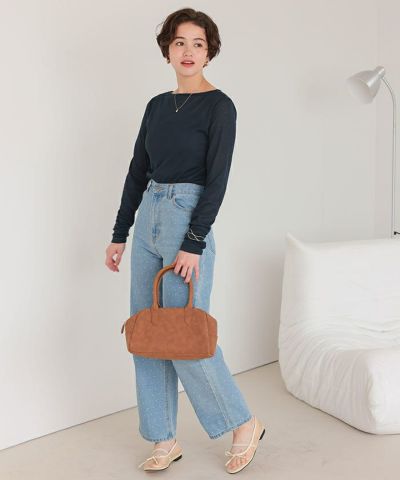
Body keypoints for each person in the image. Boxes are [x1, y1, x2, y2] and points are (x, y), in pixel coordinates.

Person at [105, 8, 266, 474]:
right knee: (147, 333)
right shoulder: (156, 106)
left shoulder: (220, 107)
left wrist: (194, 242)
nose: (188, 51)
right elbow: (137, 171)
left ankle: (243, 423)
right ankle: (163, 437)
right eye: (180, 42)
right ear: (167, 51)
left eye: (198, 43)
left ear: (209, 51)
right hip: (149, 217)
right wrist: (120, 233)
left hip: (186, 219)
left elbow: (217, 180)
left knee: (184, 335)